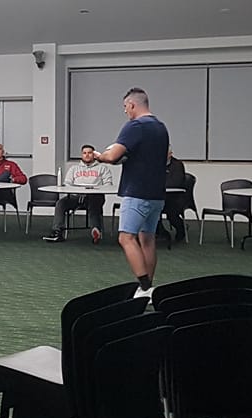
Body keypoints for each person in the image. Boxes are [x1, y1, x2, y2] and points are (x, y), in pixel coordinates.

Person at [96, 87, 171, 297]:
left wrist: (99, 156)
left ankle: (145, 287)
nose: (125, 111)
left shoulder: (135, 126)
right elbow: (160, 157)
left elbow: (113, 156)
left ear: (132, 104)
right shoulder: (161, 127)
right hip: (157, 193)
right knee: (147, 239)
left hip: (137, 192)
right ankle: (148, 287)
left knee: (126, 238)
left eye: (125, 107)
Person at [44, 144, 114, 244]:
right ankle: (57, 232)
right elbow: (67, 184)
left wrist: (95, 189)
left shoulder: (103, 168)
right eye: (84, 153)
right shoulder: (74, 169)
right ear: (81, 155)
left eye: (89, 153)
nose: (87, 155)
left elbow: (108, 185)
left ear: (94, 155)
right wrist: (74, 189)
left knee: (94, 204)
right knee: (61, 203)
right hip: (76, 196)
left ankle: (96, 231)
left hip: (94, 196)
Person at [163, 147, 189, 244]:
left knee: (172, 214)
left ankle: (181, 230)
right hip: (160, 197)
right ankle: (161, 232)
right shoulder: (155, 164)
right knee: (151, 210)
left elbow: (176, 182)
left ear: (170, 154)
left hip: (175, 198)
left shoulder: (178, 165)